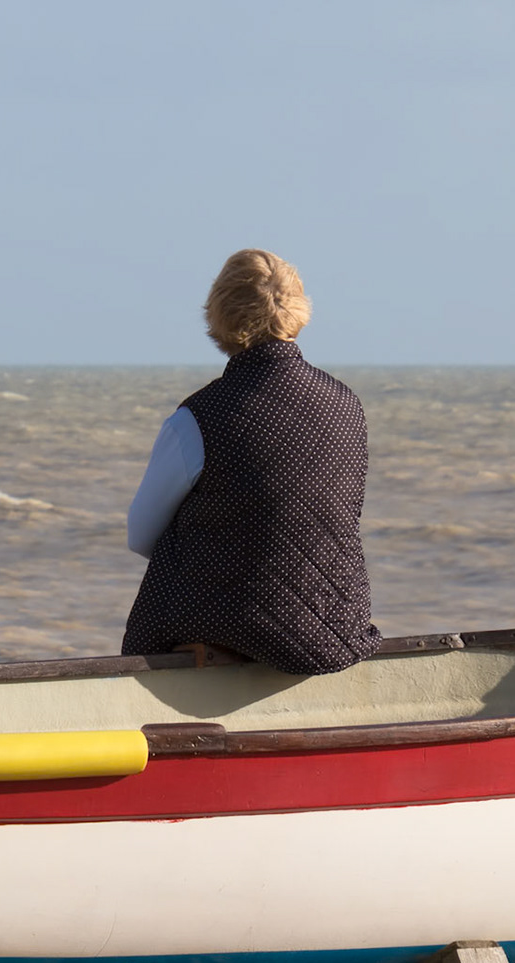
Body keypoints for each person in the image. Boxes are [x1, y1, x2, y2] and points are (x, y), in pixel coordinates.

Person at [121, 249, 381, 675]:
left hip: (237, 626)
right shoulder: (347, 404)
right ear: (298, 309)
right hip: (335, 628)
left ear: (220, 314)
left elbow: (140, 535)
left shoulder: (199, 418)